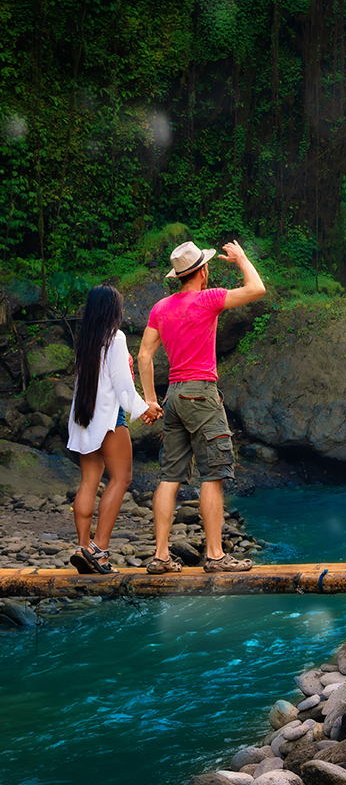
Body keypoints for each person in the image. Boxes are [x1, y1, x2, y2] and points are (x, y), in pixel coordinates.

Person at [138, 238, 265, 574]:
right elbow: (257, 289)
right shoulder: (208, 299)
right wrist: (240, 258)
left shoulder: (160, 308)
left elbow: (144, 355)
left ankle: (161, 556)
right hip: (201, 393)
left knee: (169, 477)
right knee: (213, 474)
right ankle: (215, 555)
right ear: (203, 271)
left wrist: (151, 399)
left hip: (174, 396)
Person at [67, 285, 163, 574]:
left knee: (89, 481)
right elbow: (122, 386)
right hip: (110, 419)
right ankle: (100, 549)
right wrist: (146, 407)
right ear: (113, 310)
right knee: (121, 479)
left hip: (84, 418)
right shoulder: (115, 338)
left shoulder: (86, 340)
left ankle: (83, 547)